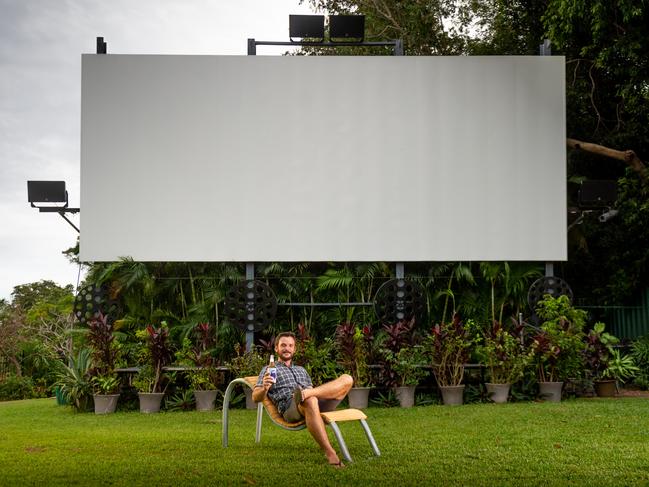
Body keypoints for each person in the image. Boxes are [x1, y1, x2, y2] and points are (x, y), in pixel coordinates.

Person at [252, 331, 353, 468]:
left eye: (290, 345)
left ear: (294, 349)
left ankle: (306, 393)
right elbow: (255, 397)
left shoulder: (301, 370)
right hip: (290, 406)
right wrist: (264, 388)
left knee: (347, 379)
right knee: (310, 400)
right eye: (283, 345)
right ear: (276, 348)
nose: (287, 348)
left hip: (313, 401)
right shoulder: (269, 369)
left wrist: (309, 392)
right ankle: (330, 453)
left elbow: (313, 392)